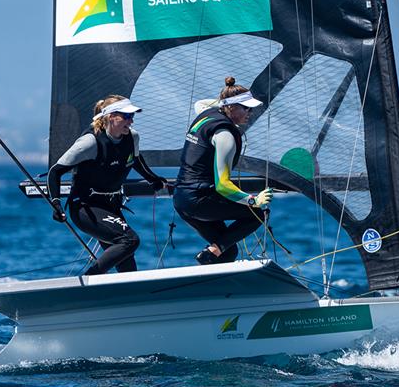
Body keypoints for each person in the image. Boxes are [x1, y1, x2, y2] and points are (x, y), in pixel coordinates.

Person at [47, 95, 167, 275]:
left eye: (132, 116)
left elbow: (134, 160)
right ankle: (89, 280)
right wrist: (56, 204)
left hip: (111, 206)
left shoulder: (132, 137)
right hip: (85, 207)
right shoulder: (90, 142)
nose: (131, 120)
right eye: (126, 116)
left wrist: (154, 179)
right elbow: (55, 172)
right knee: (129, 240)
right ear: (111, 117)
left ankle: (125, 297)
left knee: (127, 267)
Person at [173, 77, 273, 265]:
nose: (250, 112)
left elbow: (199, 103)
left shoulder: (206, 113)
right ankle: (209, 254)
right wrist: (254, 200)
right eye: (246, 108)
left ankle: (209, 273)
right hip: (199, 199)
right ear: (231, 107)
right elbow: (222, 185)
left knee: (227, 250)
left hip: (181, 199)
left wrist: (227, 97)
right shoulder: (225, 135)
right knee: (258, 214)